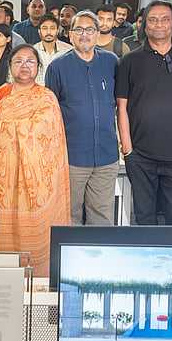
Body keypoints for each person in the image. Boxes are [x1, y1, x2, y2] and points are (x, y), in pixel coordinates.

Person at [0, 44, 71, 276]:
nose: (24, 66)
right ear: (10, 66)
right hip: (7, 177)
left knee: (41, 230)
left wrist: (3, 127)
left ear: (38, 67)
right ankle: (5, 280)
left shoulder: (47, 97)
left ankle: (41, 279)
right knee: (7, 230)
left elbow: (46, 130)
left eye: (30, 61)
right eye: (18, 61)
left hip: (40, 181)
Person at [117, 1, 172, 226]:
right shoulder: (130, 61)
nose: (159, 24)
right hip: (141, 155)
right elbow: (122, 107)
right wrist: (128, 150)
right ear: (144, 25)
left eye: (165, 19)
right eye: (152, 20)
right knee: (145, 218)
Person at [46, 11, 120, 226]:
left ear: (97, 34)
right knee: (69, 216)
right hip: (72, 157)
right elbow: (50, 114)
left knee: (102, 217)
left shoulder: (111, 62)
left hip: (106, 156)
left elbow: (121, 104)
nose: (84, 34)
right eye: (78, 29)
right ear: (70, 34)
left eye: (89, 30)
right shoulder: (57, 67)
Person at [32, 14, 70, 84]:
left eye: (52, 28)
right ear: (39, 31)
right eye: (44, 28)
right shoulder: (32, 51)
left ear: (57, 31)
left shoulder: (68, 51)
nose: (48, 32)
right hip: (39, 89)